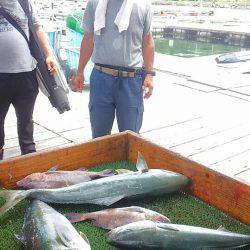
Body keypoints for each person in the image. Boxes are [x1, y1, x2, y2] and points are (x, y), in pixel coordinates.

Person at [73, 0, 155, 139]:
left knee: (131, 137)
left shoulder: (143, 5)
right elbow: (88, 39)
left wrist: (149, 75)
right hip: (101, 77)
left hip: (132, 79)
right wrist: (80, 72)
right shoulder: (94, 3)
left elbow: (147, 41)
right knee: (99, 136)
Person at [0, 0, 57, 160]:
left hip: (26, 74)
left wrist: (49, 55)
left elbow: (38, 28)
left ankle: (29, 162)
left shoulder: (25, 2)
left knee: (26, 123)